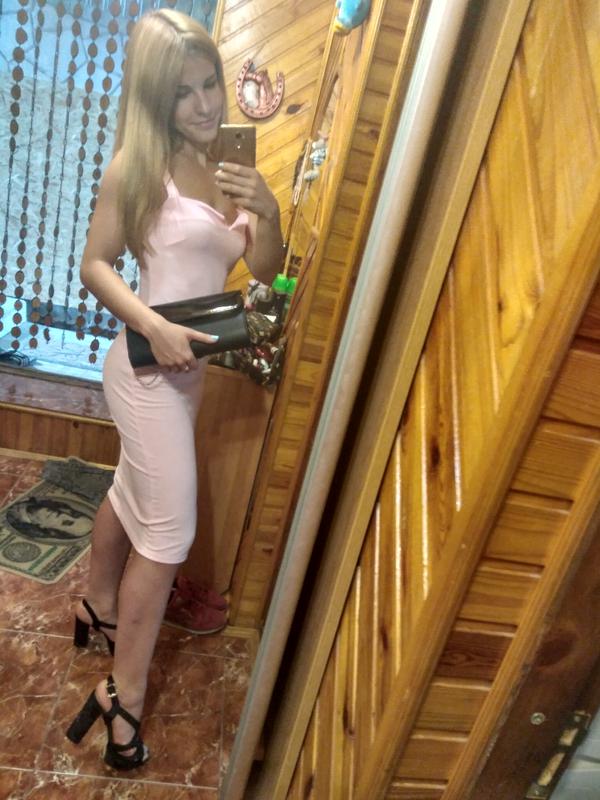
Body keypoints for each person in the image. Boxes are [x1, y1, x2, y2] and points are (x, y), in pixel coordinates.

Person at [65, 8, 282, 771]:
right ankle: (122, 696)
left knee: (132, 492)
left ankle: (96, 604)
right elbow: (94, 263)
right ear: (158, 99)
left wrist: (267, 209)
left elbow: (262, 269)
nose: (205, 104)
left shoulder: (230, 168)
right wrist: (152, 323)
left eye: (209, 84)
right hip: (143, 369)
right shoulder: (139, 163)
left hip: (189, 376)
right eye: (184, 92)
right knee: (169, 536)